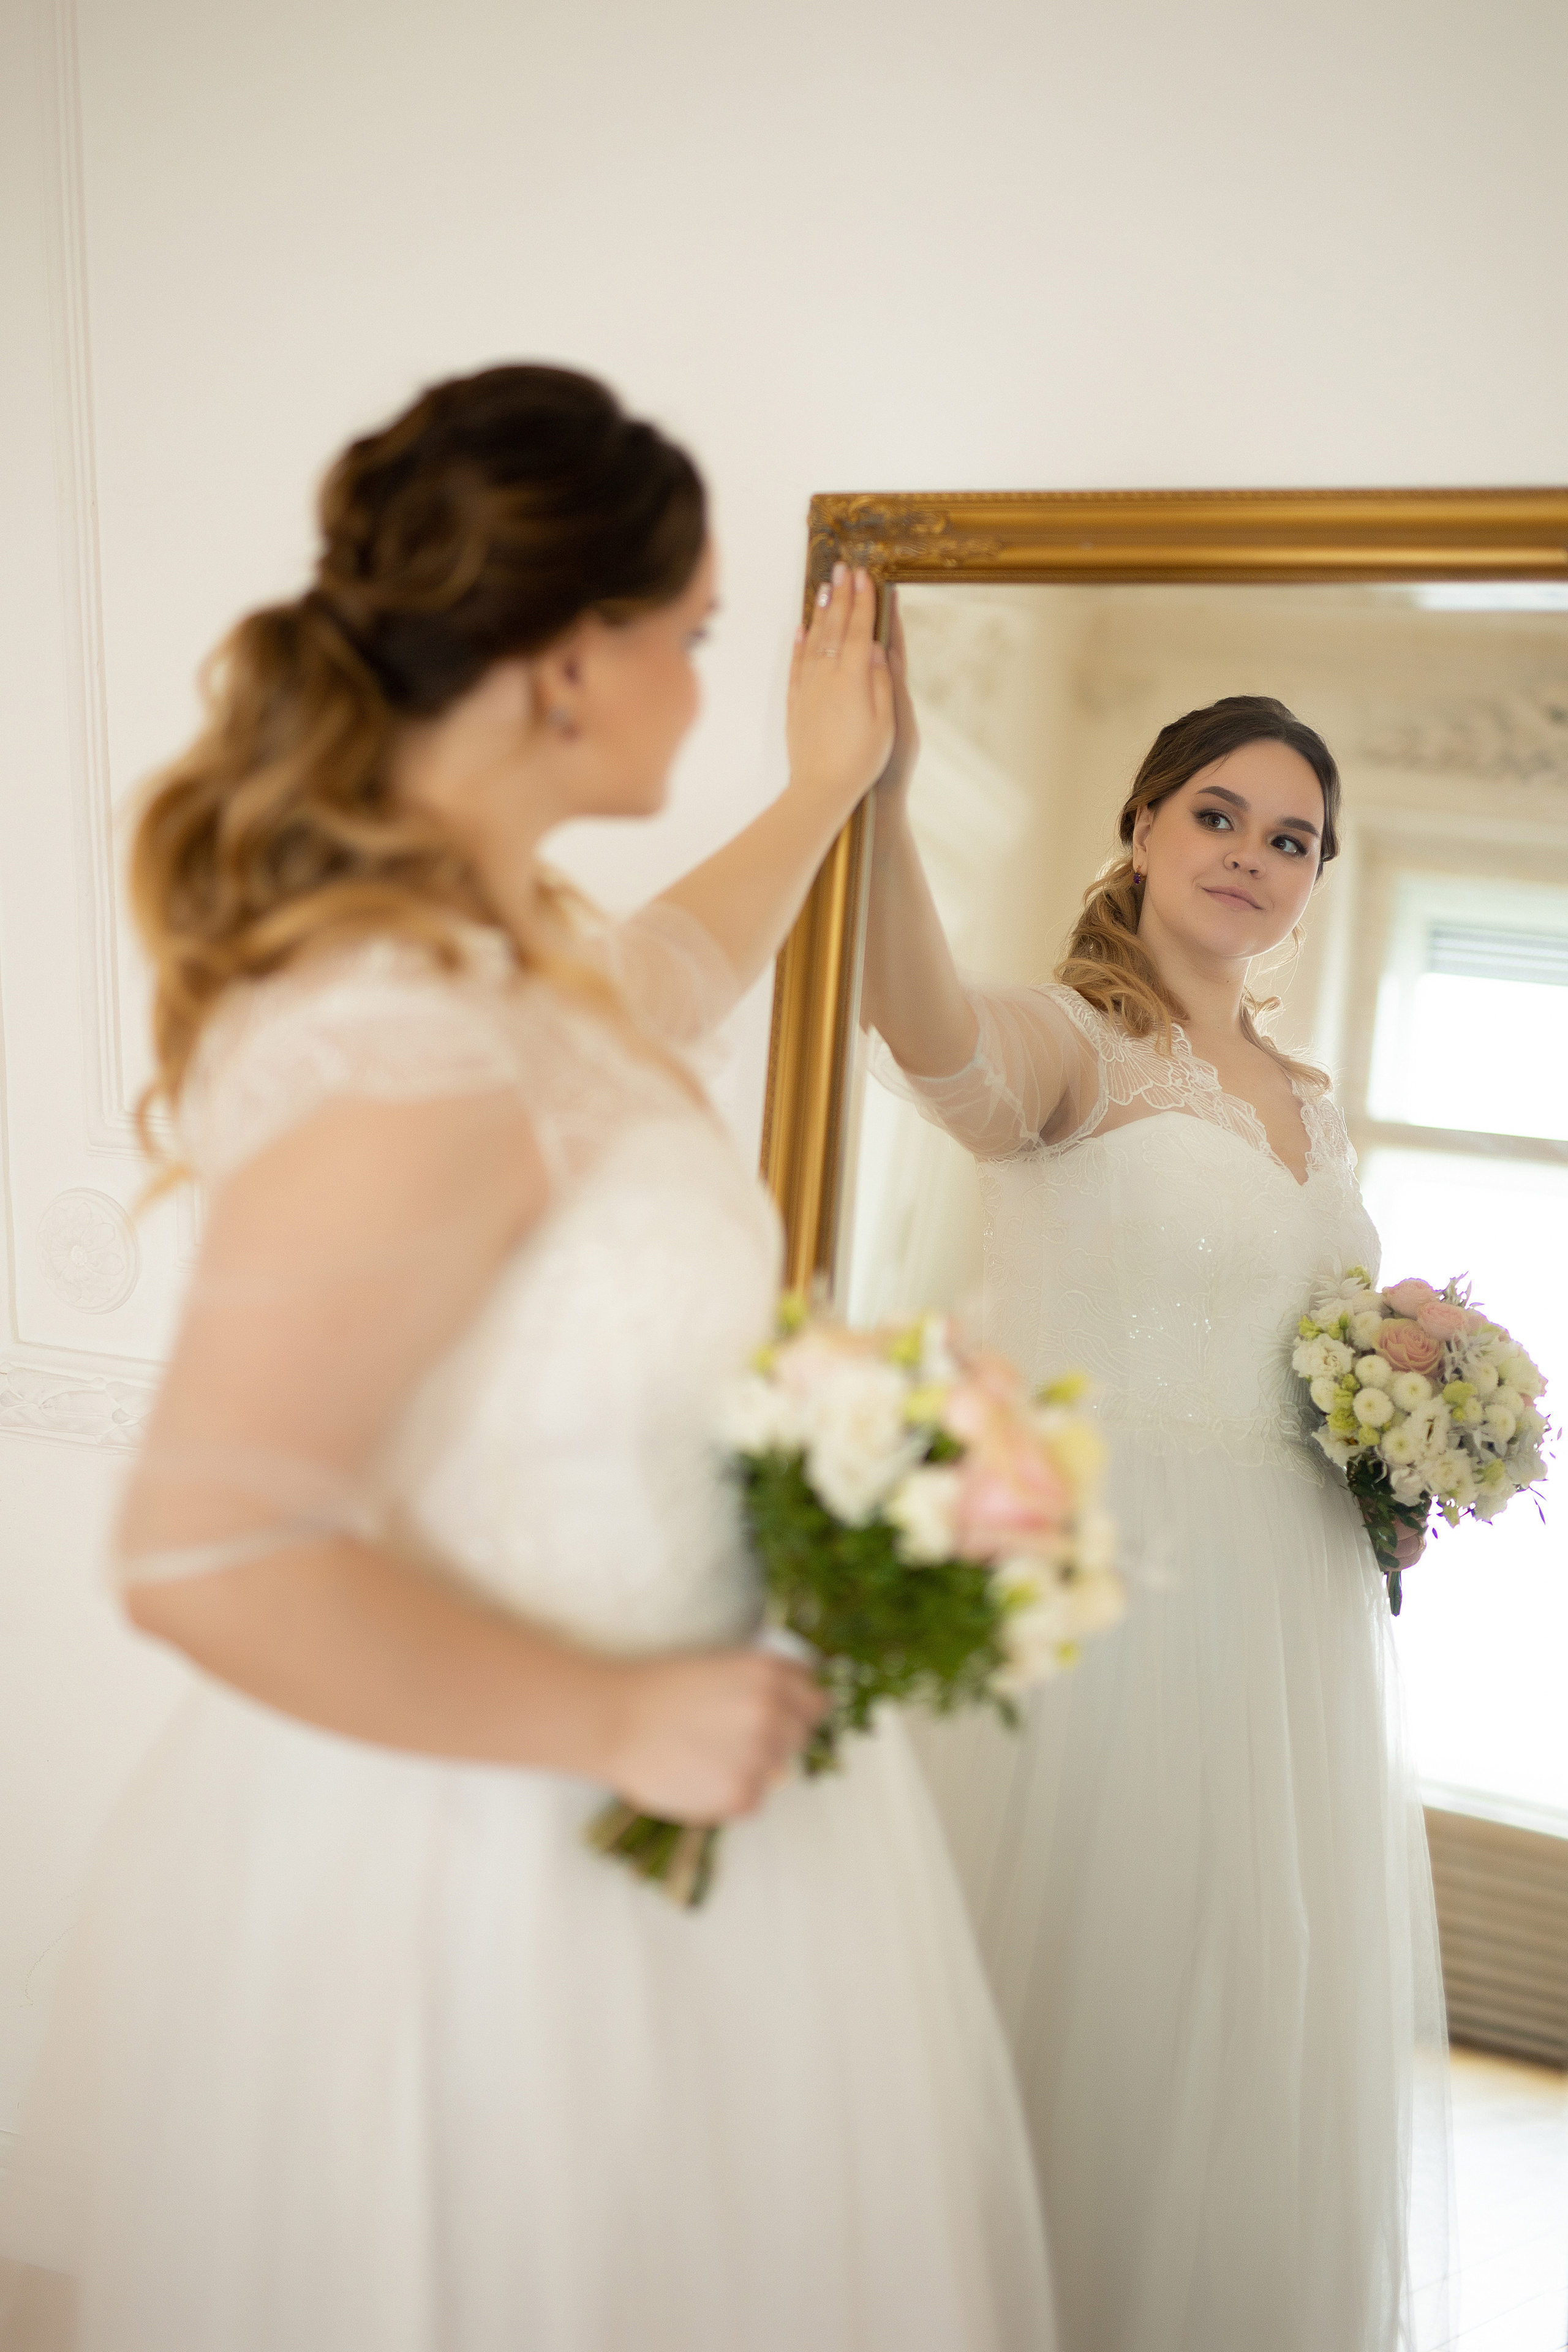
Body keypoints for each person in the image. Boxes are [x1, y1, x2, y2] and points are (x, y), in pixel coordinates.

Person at [0, 369, 1054, 2352]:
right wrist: (613, 1723)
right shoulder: (409, 1031)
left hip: (642, 1834)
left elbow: (669, 974)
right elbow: (205, 1551)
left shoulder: (513, 964)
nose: (698, 675)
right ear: (575, 662)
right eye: (694, 632)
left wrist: (827, 791)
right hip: (483, 1861)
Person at [861, 612, 1447, 2352]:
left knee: (1227, 2023)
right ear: (1139, 827)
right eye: (1218, 814)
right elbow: (923, 1032)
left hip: (1284, 1621)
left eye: (1291, 840)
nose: (1252, 857)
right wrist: (882, 805)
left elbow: (1298, 1343)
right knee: (1065, 1996)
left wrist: (1399, 1400)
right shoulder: (1074, 1044)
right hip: (1096, 1586)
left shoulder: (1313, 1103)